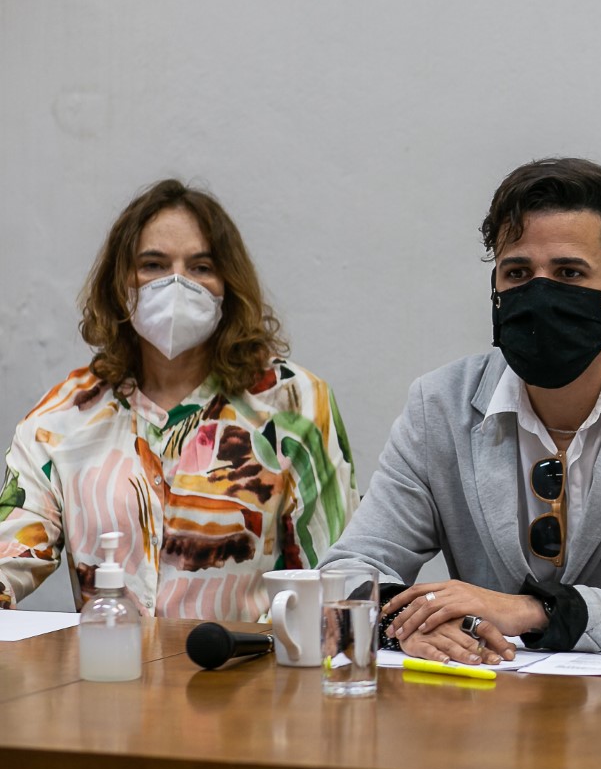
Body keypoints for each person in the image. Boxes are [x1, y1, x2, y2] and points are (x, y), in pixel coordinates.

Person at [320, 157, 601, 664]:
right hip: (485, 708)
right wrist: (403, 625)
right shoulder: (439, 405)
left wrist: (536, 610)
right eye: (518, 272)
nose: (540, 292)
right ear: (496, 289)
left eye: (569, 273)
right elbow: (349, 570)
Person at [0, 179, 358, 620]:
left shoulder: (293, 403)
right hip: (106, 676)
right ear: (119, 283)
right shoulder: (64, 415)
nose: (176, 284)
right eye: (153, 264)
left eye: (201, 267)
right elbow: (10, 550)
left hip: (249, 679)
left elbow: (335, 576)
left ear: (228, 285)